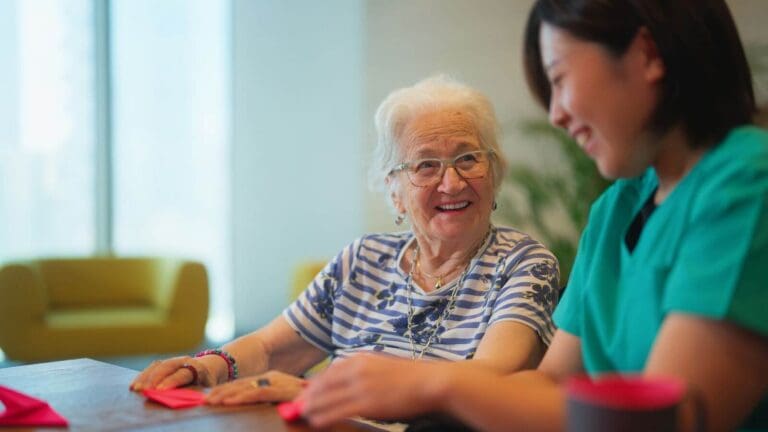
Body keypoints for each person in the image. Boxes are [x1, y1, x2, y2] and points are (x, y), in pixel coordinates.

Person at [300, 1, 768, 431]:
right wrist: (363, 392)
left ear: (646, 54)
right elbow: (552, 384)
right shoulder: (615, 210)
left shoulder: (748, 184)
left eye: (559, 80)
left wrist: (433, 384)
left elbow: (672, 419)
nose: (557, 116)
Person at [129, 75, 560, 405]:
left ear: (495, 172)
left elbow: (492, 380)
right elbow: (272, 349)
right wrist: (204, 367)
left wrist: (317, 392)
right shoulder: (363, 259)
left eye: (467, 158)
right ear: (395, 190)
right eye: (426, 166)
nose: (451, 182)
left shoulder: (523, 264)